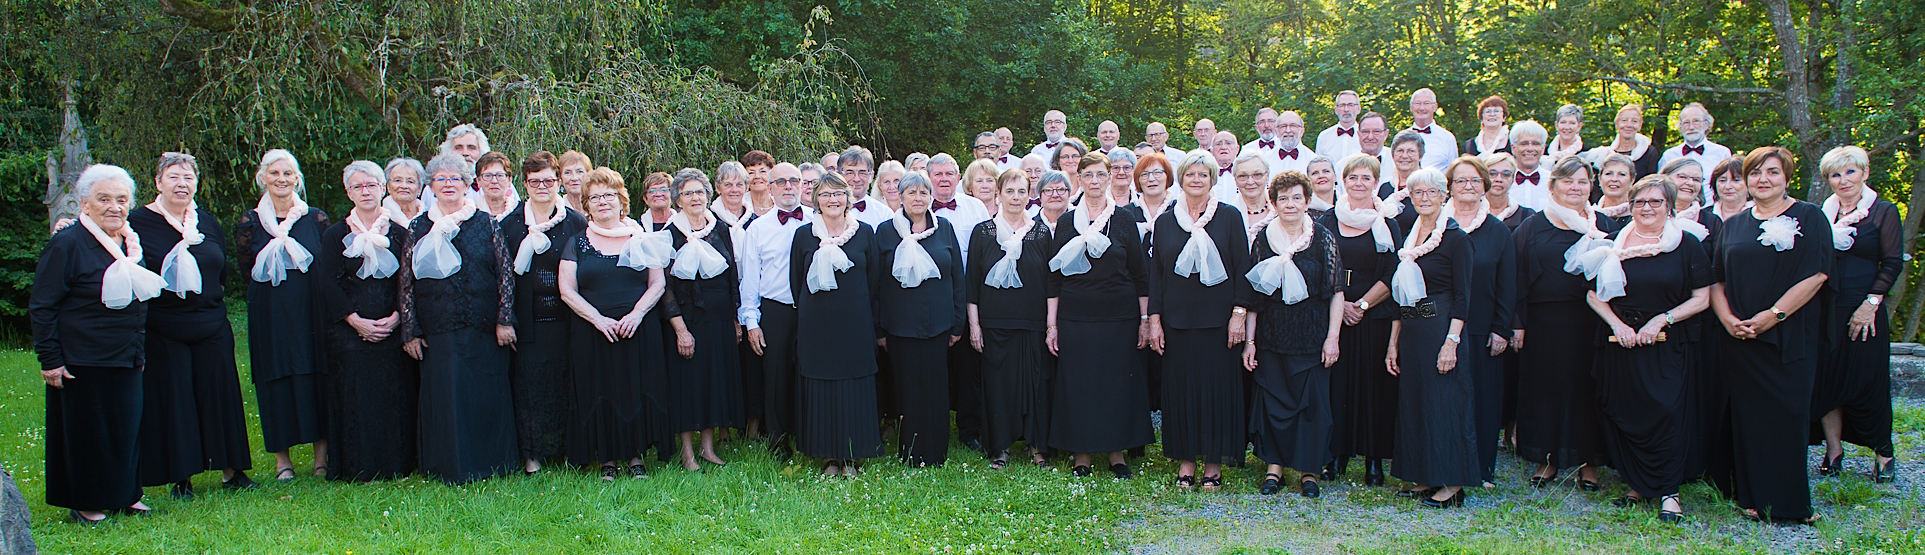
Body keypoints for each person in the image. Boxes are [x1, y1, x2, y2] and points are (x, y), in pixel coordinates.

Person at [35, 164, 165, 523]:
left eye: (121, 199)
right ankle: (86, 501)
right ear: (85, 203)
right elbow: (43, 304)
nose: (114, 206)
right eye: (103, 198)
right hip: (82, 356)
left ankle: (126, 494)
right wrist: (50, 358)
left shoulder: (131, 243)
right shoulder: (67, 243)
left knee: (125, 426)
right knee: (88, 433)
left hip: (127, 352)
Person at [1709, 146, 1830, 524]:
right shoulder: (1734, 225)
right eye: (1756, 173)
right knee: (1749, 418)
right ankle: (1752, 496)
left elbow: (1817, 275)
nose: (1763, 180)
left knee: (1787, 415)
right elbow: (1717, 280)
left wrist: (1772, 316)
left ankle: (1791, 504)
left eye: (1773, 172)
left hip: (1788, 336)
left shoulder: (1809, 217)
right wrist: (1728, 318)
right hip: (1740, 338)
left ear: (1787, 178)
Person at [1585, 175, 1712, 523]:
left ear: (1669, 206)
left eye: (1655, 202)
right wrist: (1619, 325)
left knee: (1667, 413)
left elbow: (1703, 298)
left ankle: (1669, 491)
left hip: (1666, 344)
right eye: (1640, 201)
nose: (1647, 208)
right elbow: (1594, 295)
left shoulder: (1686, 245)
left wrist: (1661, 320)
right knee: (1627, 412)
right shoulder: (1614, 244)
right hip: (1621, 341)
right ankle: (1638, 485)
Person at [129, 153, 256, 497]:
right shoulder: (137, 222)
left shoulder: (207, 221)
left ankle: (233, 471)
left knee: (221, 395)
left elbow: (222, 269)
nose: (181, 184)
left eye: (188, 178)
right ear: (158, 183)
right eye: (173, 177)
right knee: (176, 399)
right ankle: (181, 477)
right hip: (164, 326)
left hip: (211, 323)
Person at [398, 152, 521, 484]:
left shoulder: (486, 223)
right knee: (446, 397)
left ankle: (492, 464)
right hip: (438, 328)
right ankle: (447, 467)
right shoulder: (419, 226)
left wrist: (505, 319)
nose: (449, 184)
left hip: (483, 327)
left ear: (469, 185)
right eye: (441, 179)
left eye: (456, 178)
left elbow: (505, 275)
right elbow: (406, 280)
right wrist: (409, 329)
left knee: (484, 395)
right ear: (431, 186)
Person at [1513, 155, 1620, 491]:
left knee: (1588, 390)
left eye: (1582, 182)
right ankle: (1550, 459)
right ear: (1553, 186)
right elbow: (1514, 278)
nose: (1576, 187)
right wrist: (1517, 323)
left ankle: (1589, 462)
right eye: (1568, 181)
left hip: (1591, 321)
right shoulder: (1532, 225)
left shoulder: (1602, 224)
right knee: (1547, 389)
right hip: (1544, 322)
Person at [559, 167, 674, 480]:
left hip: (636, 328)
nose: (602, 202)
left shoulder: (640, 237)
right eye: (595, 197)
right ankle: (607, 459)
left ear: (621, 200)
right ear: (587, 205)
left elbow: (657, 283)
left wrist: (636, 314)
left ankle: (636, 457)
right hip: (593, 330)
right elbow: (566, 289)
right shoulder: (576, 242)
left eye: (608, 195)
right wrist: (597, 319)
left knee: (634, 389)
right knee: (601, 389)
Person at [1150, 151, 1254, 492]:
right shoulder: (1166, 221)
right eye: (1191, 174)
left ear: (1213, 179)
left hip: (1219, 322)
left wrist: (1239, 315)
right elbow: (1157, 276)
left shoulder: (1229, 217)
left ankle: (1213, 464)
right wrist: (1154, 319)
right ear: (1181, 179)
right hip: (1177, 322)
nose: (1197, 180)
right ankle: (1186, 461)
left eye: (1203, 175)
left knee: (1216, 393)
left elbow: (1243, 269)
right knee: (1182, 393)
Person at [1048, 152, 1154, 479]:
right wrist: (1051, 325)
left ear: (1110, 179)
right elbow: (1054, 277)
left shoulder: (1123, 220)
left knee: (1116, 384)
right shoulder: (1066, 222)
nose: (1094, 181)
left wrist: (1144, 320)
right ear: (1078, 179)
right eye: (1088, 175)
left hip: (1119, 317)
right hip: (1075, 316)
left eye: (1100, 175)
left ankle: (1116, 453)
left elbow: (1140, 274)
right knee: (1079, 384)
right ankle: (1081, 453)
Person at [1241, 171, 1343, 497]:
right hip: (1272, 336)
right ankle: (1274, 469)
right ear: (1273, 202)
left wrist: (1333, 337)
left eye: (1297, 197)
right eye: (1283, 198)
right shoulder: (1262, 239)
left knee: (1312, 405)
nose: (1290, 204)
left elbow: (1336, 290)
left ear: (1308, 201)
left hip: (1312, 336)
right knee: (1273, 401)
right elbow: (1254, 297)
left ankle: (1309, 470)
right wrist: (1250, 341)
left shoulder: (1323, 238)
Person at [316, 160, 416, 482]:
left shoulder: (401, 233)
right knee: (354, 396)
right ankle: (356, 466)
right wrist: (355, 321)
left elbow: (409, 280)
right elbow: (328, 283)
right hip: (349, 332)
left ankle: (395, 465)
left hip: (392, 327)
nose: (365, 191)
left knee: (392, 396)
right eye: (358, 186)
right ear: (348, 192)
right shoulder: (334, 235)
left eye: (371, 185)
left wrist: (398, 317)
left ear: (382, 188)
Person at [236, 149, 330, 482]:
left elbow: (327, 264)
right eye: (274, 173)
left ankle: (322, 458)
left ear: (297, 179)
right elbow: (247, 269)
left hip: (312, 312)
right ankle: (283, 461)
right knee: (274, 378)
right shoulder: (249, 222)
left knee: (318, 375)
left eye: (288, 173)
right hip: (270, 314)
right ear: (263, 177)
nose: (281, 179)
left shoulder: (315, 218)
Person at [1384, 168, 1476, 508]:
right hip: (1412, 332)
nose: (1424, 198)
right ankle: (1425, 474)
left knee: (1444, 405)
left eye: (1431, 192)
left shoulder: (1456, 238)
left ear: (1444, 195)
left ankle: (1452, 482)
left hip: (1440, 331)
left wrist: (1451, 342)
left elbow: (1464, 297)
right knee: (1416, 405)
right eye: (1417, 192)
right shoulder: (1410, 237)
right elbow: (1401, 298)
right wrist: (1394, 342)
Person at [1812, 145, 1903, 482]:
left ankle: (1883, 452)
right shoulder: (1822, 215)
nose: (1843, 179)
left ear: (1864, 173)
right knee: (1827, 378)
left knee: (1868, 380)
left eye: (1850, 172)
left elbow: (1893, 261)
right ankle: (1834, 452)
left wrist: (1872, 302)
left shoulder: (1882, 211)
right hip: (1825, 308)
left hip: (1866, 306)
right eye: (1835, 174)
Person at [788, 172, 886, 476]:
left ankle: (852, 456)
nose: (833, 199)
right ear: (816, 199)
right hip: (816, 325)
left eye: (838, 194)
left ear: (848, 198)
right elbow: (796, 282)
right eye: (826, 194)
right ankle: (829, 457)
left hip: (855, 324)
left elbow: (875, 280)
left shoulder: (865, 233)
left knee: (854, 386)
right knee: (821, 386)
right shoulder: (804, 235)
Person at [497, 151, 588, 475]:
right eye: (534, 181)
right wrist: (505, 319)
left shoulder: (575, 222)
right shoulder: (510, 225)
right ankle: (533, 455)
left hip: (567, 321)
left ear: (558, 182)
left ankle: (566, 450)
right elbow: (502, 278)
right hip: (529, 324)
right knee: (530, 389)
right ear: (524, 184)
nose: (542, 186)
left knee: (566, 386)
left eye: (549, 180)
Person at [1319, 152, 1404, 485]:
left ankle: (1373, 459)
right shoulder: (1327, 220)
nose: (1358, 183)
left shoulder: (1389, 223)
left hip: (1374, 315)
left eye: (1365, 178)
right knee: (1336, 388)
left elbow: (1392, 271)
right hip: (1334, 314)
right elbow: (1320, 268)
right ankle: (1335, 455)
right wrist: (1343, 306)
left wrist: (1362, 305)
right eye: (1352, 177)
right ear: (1344, 181)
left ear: (1376, 183)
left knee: (1373, 389)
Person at [876, 171, 967, 467]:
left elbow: (957, 278)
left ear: (931, 197)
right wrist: (879, 328)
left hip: (939, 325)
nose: (918, 198)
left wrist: (957, 323)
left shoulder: (945, 229)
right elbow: (875, 284)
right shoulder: (885, 232)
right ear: (900, 197)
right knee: (907, 388)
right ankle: (910, 451)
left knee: (936, 388)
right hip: (899, 326)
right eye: (911, 193)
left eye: (923, 193)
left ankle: (937, 451)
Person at [969, 169, 1057, 469]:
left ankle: (1037, 447)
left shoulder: (1041, 232)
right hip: (994, 323)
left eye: (1022, 191)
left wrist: (1051, 325)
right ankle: (1000, 447)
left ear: (1028, 195)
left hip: (1033, 322)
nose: (1016, 197)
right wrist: (975, 326)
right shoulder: (984, 232)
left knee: (1036, 385)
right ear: (999, 194)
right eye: (1010, 191)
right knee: (998, 386)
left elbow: (1050, 283)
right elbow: (972, 284)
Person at [660, 168, 742, 472]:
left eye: (699, 192)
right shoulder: (669, 235)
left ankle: (708, 448)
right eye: (688, 193)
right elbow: (665, 289)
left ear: (708, 196)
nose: (695, 198)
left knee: (713, 383)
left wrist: (735, 319)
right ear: (677, 200)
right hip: (688, 321)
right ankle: (687, 453)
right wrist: (680, 329)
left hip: (719, 320)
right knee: (688, 386)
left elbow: (732, 274)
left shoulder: (720, 229)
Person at [1442, 156, 1516, 486]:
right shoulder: (1436, 226)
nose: (1468, 186)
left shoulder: (1497, 230)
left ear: (1485, 186)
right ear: (1450, 188)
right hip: (1441, 328)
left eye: (1474, 181)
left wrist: (1502, 328)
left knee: (1483, 400)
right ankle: (1445, 464)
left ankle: (1482, 468)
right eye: (1461, 181)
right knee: (1446, 398)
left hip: (1483, 329)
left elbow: (1507, 282)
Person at [739, 162, 813, 460]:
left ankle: (809, 435)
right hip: (776, 311)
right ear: (769, 188)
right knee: (777, 376)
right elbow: (749, 278)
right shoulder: (758, 228)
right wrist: (751, 321)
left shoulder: (817, 220)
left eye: (794, 181)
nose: (788, 187)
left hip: (812, 311)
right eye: (780, 182)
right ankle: (778, 441)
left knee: (809, 374)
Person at [1658, 103, 1734, 201]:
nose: (1691, 127)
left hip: (1711, 210)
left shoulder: (1722, 153)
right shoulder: (1669, 155)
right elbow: (1661, 186)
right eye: (1686, 123)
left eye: (1696, 121)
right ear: (1680, 126)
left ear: (1706, 124)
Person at [440, 124, 520, 205]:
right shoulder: (437, 185)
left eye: (471, 147)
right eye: (458, 148)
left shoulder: (502, 183)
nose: (465, 153)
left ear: (481, 152)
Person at [1584, 104, 1659, 180]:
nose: (1629, 125)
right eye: (1624, 120)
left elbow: (1652, 184)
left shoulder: (1649, 153)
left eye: (1634, 121)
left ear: (1640, 125)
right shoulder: (1605, 154)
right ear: (1617, 124)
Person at [1406, 88, 1458, 170]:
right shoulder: (1402, 137)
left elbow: (1453, 172)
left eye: (1426, 103)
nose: (1422, 108)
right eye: (1418, 103)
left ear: (1435, 107)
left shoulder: (1448, 138)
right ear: (1411, 107)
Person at [1482, 153, 1537, 230]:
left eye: (1506, 174)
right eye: (1492, 173)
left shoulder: (1527, 216)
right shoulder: (1469, 213)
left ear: (1512, 179)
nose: (1499, 179)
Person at [840, 146, 892, 227]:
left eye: (862, 173)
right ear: (839, 175)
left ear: (871, 176)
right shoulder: (828, 211)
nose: (856, 179)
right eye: (850, 172)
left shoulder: (884, 214)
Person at [1507, 121, 1553, 211]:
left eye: (1535, 143)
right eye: (1524, 143)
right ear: (1513, 148)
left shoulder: (1554, 181)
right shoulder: (1502, 181)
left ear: (1543, 149)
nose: (1530, 149)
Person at [1131, 153, 1177, 240]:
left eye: (1157, 173)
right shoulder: (1127, 213)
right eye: (1144, 174)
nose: (1151, 179)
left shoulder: (1179, 210)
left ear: (1168, 176)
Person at [1316, 90, 1365, 162]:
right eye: (1342, 105)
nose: (1346, 109)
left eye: (1351, 105)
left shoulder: (1366, 136)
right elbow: (1319, 166)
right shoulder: (1324, 137)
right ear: (1336, 110)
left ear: (1358, 109)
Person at [1593, 154, 1637, 224]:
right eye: (1609, 173)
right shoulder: (1590, 216)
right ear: (1600, 178)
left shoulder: (1638, 215)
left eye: (1622, 174)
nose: (1614, 179)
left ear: (1632, 180)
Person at [475, 151, 519, 219]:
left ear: (509, 180)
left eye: (500, 175)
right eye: (487, 176)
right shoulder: (471, 216)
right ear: (478, 181)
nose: (494, 181)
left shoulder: (522, 213)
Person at [384, 158, 429, 223]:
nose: (404, 186)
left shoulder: (430, 218)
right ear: (388, 186)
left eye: (410, 181)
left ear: (420, 188)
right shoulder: (380, 219)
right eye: (397, 180)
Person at [1383, 130, 1426, 196]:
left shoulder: (1429, 188)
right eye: (1400, 151)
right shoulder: (1384, 189)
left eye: (1411, 151)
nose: (1404, 156)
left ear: (1420, 155)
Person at [741, 150, 778, 216]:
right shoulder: (738, 206)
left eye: (762, 171)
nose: (757, 176)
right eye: (751, 172)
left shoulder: (781, 204)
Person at [1210, 131, 1241, 199]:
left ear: (1237, 149)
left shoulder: (1245, 171)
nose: (1223, 147)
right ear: (1211, 151)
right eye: (1218, 144)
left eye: (1228, 143)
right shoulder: (1206, 173)